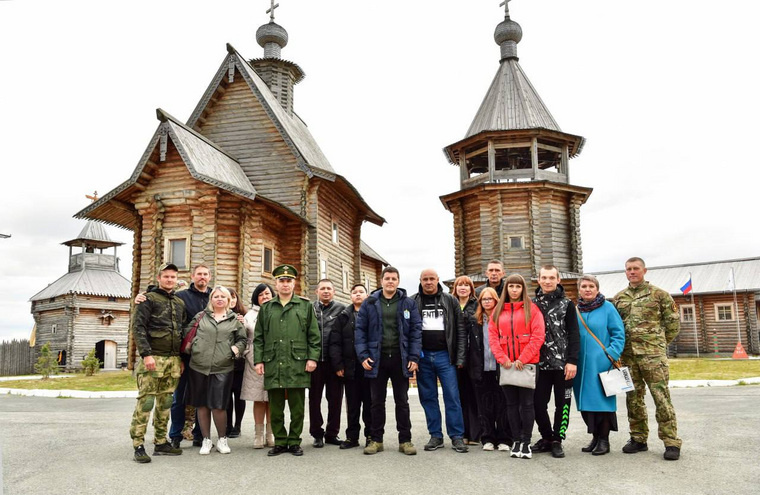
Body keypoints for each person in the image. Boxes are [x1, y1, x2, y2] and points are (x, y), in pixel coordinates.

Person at [613, 257, 682, 461]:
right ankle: (638, 438)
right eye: (628, 269)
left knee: (661, 397)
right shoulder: (619, 298)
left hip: (653, 357)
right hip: (628, 357)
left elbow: (672, 325)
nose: (632, 272)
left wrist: (657, 344)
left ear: (644, 271)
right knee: (633, 399)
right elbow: (616, 327)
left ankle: (671, 441)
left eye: (635, 268)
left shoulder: (660, 295)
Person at [253, 265, 320, 457]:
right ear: (276, 283)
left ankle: (294, 441)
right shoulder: (267, 308)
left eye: (288, 281)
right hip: (273, 361)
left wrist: (312, 358)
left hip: (297, 362)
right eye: (281, 281)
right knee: (276, 407)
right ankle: (280, 441)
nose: (285, 284)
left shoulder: (305, 306)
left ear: (294, 283)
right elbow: (259, 337)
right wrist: (259, 361)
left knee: (297, 407)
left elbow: (314, 336)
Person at [355, 266, 422, 456]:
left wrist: (414, 357)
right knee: (376, 401)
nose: (390, 281)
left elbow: (416, 332)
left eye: (394, 278)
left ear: (398, 281)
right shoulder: (370, 303)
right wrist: (363, 355)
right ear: (382, 281)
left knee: (402, 401)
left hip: (401, 359)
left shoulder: (408, 303)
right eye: (387, 278)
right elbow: (360, 331)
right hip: (377, 359)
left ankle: (405, 440)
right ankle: (376, 440)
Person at [129, 262, 185, 463]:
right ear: (159, 278)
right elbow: (138, 328)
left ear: (177, 279)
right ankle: (138, 444)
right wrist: (146, 355)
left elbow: (182, 331)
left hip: (172, 360)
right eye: (166, 276)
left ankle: (161, 441)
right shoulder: (148, 299)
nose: (170, 280)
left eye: (173, 277)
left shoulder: (179, 303)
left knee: (166, 402)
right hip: (153, 358)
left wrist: (180, 359)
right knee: (146, 402)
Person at [411, 269, 468, 453]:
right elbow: (408, 331)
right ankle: (435, 435)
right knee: (428, 398)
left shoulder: (450, 300)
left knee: (452, 397)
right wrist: (412, 357)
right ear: (420, 281)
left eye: (432, 279)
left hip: (446, 356)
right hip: (423, 357)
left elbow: (460, 330)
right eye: (425, 279)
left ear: (438, 280)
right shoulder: (413, 301)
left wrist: (459, 357)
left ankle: (457, 436)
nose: (428, 282)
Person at [488, 273, 545, 459]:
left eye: (518, 287)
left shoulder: (532, 309)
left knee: (527, 404)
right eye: (511, 286)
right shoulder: (498, 311)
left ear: (523, 289)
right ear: (506, 289)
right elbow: (493, 337)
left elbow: (538, 336)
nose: (514, 290)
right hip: (506, 365)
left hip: (526, 365)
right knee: (511, 404)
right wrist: (502, 357)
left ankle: (526, 441)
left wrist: (524, 358)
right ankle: (516, 441)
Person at [185, 285, 247, 455]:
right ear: (211, 299)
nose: (219, 299)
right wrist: (196, 347)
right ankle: (206, 440)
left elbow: (242, 339)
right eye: (216, 296)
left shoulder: (235, 320)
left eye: (223, 297)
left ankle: (222, 439)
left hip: (223, 366)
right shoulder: (201, 316)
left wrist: (234, 350)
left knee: (219, 405)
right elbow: (187, 332)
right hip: (199, 366)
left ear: (228, 301)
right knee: (202, 405)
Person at [531, 265, 580, 458]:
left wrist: (572, 361)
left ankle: (558, 439)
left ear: (558, 279)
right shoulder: (532, 304)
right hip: (539, 365)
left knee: (563, 404)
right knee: (537, 404)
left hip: (563, 366)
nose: (548, 281)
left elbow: (574, 334)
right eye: (544, 277)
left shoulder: (567, 304)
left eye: (552, 277)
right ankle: (547, 437)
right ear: (539, 280)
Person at [575, 274, 626, 456]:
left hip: (602, 364)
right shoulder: (576, 310)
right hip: (581, 366)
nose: (588, 289)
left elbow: (618, 334)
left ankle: (604, 440)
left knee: (603, 403)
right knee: (586, 404)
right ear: (579, 290)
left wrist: (610, 354)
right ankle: (595, 437)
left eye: (591, 286)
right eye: (584, 286)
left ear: (597, 289)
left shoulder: (608, 308)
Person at [465, 287, 512, 452]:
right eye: (483, 299)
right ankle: (488, 438)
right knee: (484, 406)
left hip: (500, 369)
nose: (486, 302)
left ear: (496, 301)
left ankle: (505, 438)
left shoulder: (503, 319)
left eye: (489, 299)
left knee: (502, 405)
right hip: (481, 368)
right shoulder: (475, 320)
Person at [328, 283, 371, 449]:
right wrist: (338, 364)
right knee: (352, 405)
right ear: (351, 296)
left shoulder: (372, 315)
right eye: (355, 292)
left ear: (366, 295)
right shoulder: (344, 316)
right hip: (349, 367)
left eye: (361, 292)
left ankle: (370, 436)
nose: (358, 294)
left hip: (368, 367)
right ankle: (352, 438)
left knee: (369, 404)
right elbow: (335, 342)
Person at [309, 279, 346, 447]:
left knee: (335, 399)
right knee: (314, 399)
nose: (325, 291)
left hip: (334, 362)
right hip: (315, 361)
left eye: (329, 289)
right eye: (322, 288)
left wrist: (342, 362)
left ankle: (332, 433)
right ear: (317, 291)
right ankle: (317, 433)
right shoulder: (310, 309)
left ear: (334, 291)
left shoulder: (342, 309)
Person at [241, 283, 274, 449]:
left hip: (275, 359)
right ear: (256, 298)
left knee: (273, 398)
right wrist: (249, 355)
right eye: (261, 295)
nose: (265, 297)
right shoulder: (249, 315)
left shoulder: (277, 311)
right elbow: (245, 338)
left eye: (267, 293)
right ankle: (258, 435)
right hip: (254, 360)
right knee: (259, 398)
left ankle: (271, 433)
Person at [453, 275, 480, 445]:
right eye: (459, 285)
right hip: (455, 356)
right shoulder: (451, 304)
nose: (463, 288)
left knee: (474, 395)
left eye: (466, 285)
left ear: (471, 289)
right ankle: (462, 432)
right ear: (455, 289)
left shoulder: (476, 305)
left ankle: (475, 433)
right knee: (460, 395)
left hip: (474, 355)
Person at [225, 288, 247, 439]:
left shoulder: (243, 316)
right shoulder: (220, 315)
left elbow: (248, 337)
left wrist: (244, 323)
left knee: (239, 395)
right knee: (226, 396)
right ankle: (227, 425)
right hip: (224, 362)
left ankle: (237, 425)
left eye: (234, 297)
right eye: (229, 298)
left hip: (240, 363)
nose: (232, 301)